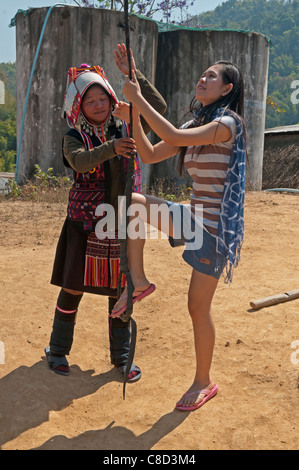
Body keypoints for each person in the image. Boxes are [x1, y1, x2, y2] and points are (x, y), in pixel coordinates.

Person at [111, 56, 246, 410]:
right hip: (193, 215)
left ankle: (205, 381)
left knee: (197, 307)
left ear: (227, 89)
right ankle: (138, 281)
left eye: (211, 77)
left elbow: (170, 135)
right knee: (133, 203)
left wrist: (139, 101)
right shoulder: (196, 122)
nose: (202, 79)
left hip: (214, 230)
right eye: (202, 74)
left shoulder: (227, 124)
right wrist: (136, 117)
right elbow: (150, 152)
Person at [45, 45, 167, 382]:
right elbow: (80, 161)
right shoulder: (75, 137)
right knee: (73, 288)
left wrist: (132, 74)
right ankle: (57, 351)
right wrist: (111, 148)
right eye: (90, 101)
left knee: (121, 289)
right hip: (84, 224)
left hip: (120, 222)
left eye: (103, 98)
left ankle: (122, 358)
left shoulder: (124, 122)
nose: (99, 105)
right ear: (79, 106)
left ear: (112, 97)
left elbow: (158, 108)